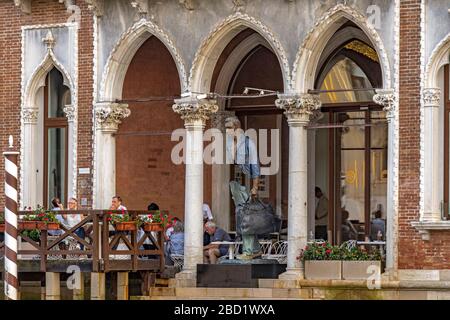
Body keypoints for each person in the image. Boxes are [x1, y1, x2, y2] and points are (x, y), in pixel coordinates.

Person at [225, 116, 262, 260]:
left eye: (229, 128)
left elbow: (255, 166)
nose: (227, 131)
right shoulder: (229, 144)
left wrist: (255, 187)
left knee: (245, 217)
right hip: (235, 183)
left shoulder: (248, 143)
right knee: (244, 217)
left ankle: (248, 250)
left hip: (245, 183)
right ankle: (256, 249)